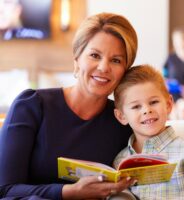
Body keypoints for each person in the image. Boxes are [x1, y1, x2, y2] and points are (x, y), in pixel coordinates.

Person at [0, 12, 138, 199]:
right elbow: (5, 189)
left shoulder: (122, 122)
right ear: (77, 60)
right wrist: (70, 192)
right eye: (95, 55)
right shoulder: (32, 106)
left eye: (116, 60)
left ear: (125, 71)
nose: (104, 67)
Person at [113, 65, 184, 199]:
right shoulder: (120, 161)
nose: (147, 110)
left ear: (168, 105)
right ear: (121, 116)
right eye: (136, 106)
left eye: (153, 102)